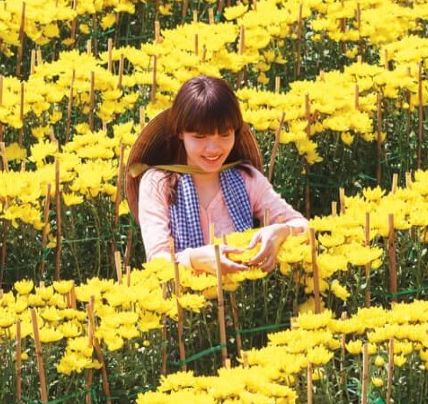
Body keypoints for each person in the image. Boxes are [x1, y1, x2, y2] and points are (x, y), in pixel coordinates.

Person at [126, 75, 308, 274]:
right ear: (180, 133)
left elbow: (303, 226)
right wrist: (195, 259)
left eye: (224, 135)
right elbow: (157, 260)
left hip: (239, 296)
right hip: (180, 300)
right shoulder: (157, 183)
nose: (213, 148)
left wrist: (280, 232)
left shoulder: (246, 179)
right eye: (199, 137)